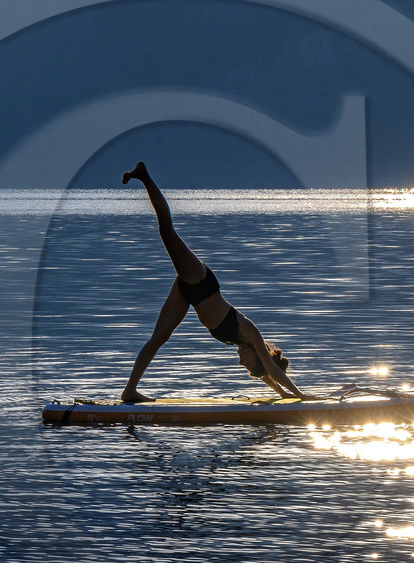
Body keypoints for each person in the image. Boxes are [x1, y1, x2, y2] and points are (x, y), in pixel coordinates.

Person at [119, 162, 309, 403]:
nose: (241, 363)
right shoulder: (250, 331)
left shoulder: (242, 341)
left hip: (188, 294)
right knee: (166, 231)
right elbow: (271, 370)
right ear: (258, 356)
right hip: (201, 282)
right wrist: (301, 396)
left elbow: (267, 374)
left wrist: (283, 396)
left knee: (158, 338)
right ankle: (144, 176)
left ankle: (129, 391)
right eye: (248, 364)